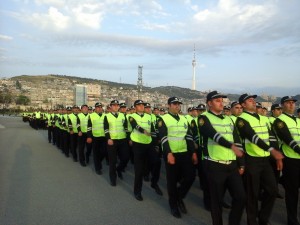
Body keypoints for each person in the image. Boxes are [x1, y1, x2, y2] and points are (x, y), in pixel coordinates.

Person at [236, 93, 284, 225]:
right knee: (252, 194)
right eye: (249, 100)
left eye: (253, 100)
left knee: (273, 190)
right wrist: (271, 150)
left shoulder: (263, 119)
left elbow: (271, 138)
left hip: (266, 160)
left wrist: (276, 156)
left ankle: (263, 218)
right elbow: (252, 137)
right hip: (252, 160)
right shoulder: (241, 120)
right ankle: (251, 221)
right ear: (243, 105)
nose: (253, 101)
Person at [199, 91, 245, 225]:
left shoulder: (228, 119)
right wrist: (230, 146)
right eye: (217, 100)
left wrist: (241, 163)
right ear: (209, 103)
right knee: (217, 201)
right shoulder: (203, 118)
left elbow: (237, 140)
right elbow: (212, 134)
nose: (221, 102)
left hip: (231, 164)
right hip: (215, 164)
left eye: (222, 100)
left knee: (241, 197)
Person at [157, 97, 198, 218]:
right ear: (169, 105)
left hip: (184, 152)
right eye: (174, 104)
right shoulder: (163, 119)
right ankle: (173, 205)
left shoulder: (184, 119)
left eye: (178, 104)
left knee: (190, 176)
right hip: (171, 153)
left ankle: (179, 196)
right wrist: (169, 153)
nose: (177, 106)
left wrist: (193, 152)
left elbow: (189, 137)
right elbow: (163, 138)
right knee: (172, 181)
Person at [273, 96, 300, 225]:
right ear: (282, 105)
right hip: (291, 160)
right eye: (288, 103)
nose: (291, 105)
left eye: (293, 103)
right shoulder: (280, 121)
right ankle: (292, 220)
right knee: (292, 192)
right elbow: (288, 139)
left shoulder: (298, 121)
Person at [128, 100, 162, 201]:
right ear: (135, 107)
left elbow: (153, 129)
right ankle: (137, 191)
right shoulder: (132, 116)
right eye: (139, 105)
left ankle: (154, 183)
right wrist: (144, 131)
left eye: (143, 105)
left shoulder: (149, 116)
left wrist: (158, 138)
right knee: (139, 169)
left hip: (149, 143)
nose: (142, 106)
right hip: (138, 144)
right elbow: (135, 125)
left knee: (157, 161)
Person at [104, 100, 129, 186]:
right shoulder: (107, 116)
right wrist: (108, 138)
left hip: (122, 139)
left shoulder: (123, 115)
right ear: (110, 106)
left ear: (119, 107)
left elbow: (125, 127)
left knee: (125, 158)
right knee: (113, 161)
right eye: (113, 105)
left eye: (117, 105)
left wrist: (129, 138)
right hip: (112, 141)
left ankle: (119, 169)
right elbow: (106, 129)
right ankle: (113, 178)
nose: (115, 107)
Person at [87, 102, 107, 175]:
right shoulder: (91, 116)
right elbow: (89, 127)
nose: (99, 108)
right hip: (95, 137)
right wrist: (89, 136)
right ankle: (98, 168)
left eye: (100, 107)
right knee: (96, 153)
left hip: (104, 137)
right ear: (95, 108)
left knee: (104, 152)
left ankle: (98, 161)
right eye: (98, 107)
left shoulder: (105, 116)